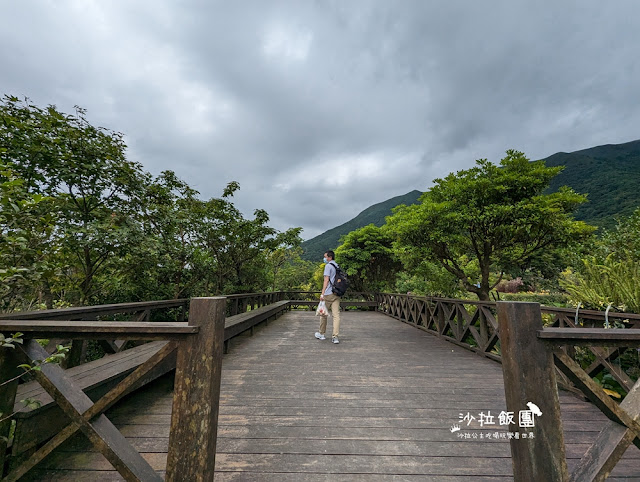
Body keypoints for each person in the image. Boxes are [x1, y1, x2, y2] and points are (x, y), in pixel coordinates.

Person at [315, 250, 341, 344]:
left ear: (329, 257)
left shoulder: (328, 266)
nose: (324, 258)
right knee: (336, 316)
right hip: (337, 293)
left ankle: (322, 334)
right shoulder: (337, 266)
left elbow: (326, 280)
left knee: (323, 314)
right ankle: (335, 337)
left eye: (325, 257)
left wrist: (322, 293)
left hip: (328, 293)